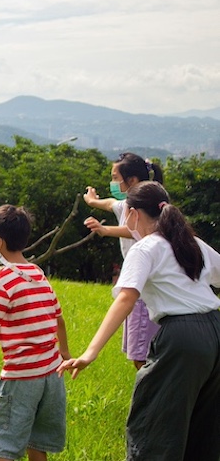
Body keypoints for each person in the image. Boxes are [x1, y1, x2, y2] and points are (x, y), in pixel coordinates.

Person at [58, 181, 220, 461]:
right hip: (215, 331)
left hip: (182, 337)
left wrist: (89, 353)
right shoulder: (192, 242)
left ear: (132, 214)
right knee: (203, 431)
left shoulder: (144, 248)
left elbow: (125, 299)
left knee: (155, 426)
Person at [0, 205, 70, 461]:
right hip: (51, 375)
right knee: (36, 441)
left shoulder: (1, 281)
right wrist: (64, 353)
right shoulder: (39, 275)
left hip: (21, 377)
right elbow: (59, 320)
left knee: (5, 445)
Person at [83, 152, 164, 370]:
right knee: (143, 353)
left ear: (133, 181)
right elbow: (111, 204)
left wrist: (105, 230)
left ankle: (151, 397)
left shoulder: (140, 210)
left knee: (142, 356)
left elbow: (136, 231)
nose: (114, 183)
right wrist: (92, 200)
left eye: (116, 178)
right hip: (149, 290)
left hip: (142, 289)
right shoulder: (139, 202)